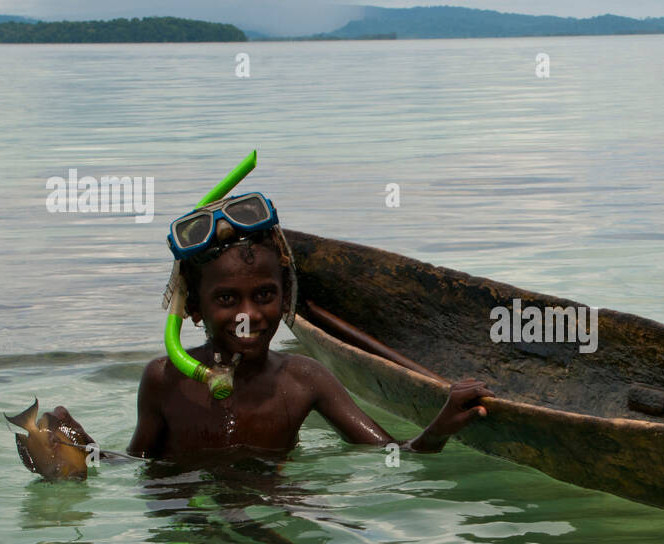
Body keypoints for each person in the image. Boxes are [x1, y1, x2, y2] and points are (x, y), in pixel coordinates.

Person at [51, 194, 492, 464]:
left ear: (286, 297)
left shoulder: (305, 379)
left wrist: (439, 428)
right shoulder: (163, 381)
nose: (249, 314)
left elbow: (392, 456)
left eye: (264, 295)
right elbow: (139, 469)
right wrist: (82, 451)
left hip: (276, 503)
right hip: (188, 512)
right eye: (227, 300)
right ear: (195, 309)